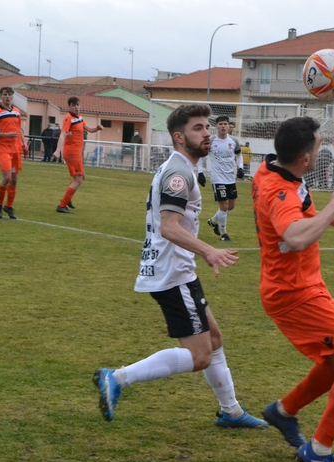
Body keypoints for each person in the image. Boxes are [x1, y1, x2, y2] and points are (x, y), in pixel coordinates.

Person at [92, 103, 266, 431]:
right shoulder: (179, 173)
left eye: (207, 127)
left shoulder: (182, 167)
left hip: (175, 270)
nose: (207, 134)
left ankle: (231, 411)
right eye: (198, 128)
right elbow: (169, 227)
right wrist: (209, 252)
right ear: (178, 136)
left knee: (214, 338)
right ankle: (116, 378)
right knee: (200, 356)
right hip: (173, 273)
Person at [252, 116, 334, 462]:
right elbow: (294, 235)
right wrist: (331, 206)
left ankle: (283, 411)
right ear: (305, 159)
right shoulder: (280, 191)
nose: (320, 149)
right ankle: (318, 451)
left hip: (301, 286)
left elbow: (290, 219)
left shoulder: (270, 169)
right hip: (295, 295)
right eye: (319, 145)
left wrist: (329, 219)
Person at [53, 97, 104, 213]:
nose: (76, 107)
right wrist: (57, 150)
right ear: (69, 107)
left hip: (76, 153)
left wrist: (97, 128)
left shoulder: (79, 117)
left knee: (81, 177)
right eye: (73, 105)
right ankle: (62, 205)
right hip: (72, 153)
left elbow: (89, 129)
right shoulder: (68, 118)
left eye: (77, 105)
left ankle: (67, 198)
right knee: (78, 179)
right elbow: (62, 135)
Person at [0, 86, 29, 219]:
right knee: (7, 177)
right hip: (2, 148)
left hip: (16, 148)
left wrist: (23, 143)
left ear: (12, 97)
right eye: (5, 94)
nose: (7, 97)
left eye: (10, 95)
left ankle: (9, 206)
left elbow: (18, 129)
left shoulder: (17, 111)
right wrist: (5, 135)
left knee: (14, 179)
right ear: (1, 96)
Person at [205, 116, 241, 242]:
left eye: (225, 124)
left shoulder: (234, 141)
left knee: (231, 206)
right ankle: (223, 234)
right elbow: (201, 155)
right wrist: (200, 172)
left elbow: (239, 155)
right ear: (216, 126)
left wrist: (240, 168)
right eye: (221, 124)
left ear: (228, 125)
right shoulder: (211, 140)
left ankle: (213, 221)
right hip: (217, 178)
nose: (223, 126)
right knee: (224, 206)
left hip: (230, 178)